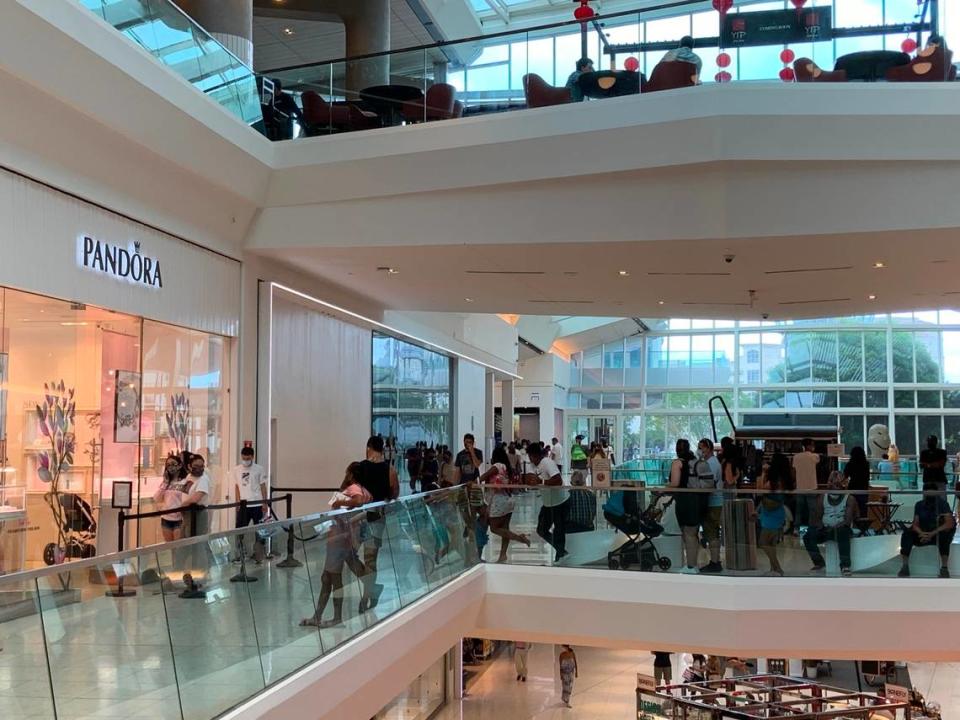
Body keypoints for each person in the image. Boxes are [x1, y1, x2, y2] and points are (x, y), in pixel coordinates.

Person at [300, 463, 372, 628]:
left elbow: (357, 501)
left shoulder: (355, 489)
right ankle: (317, 616)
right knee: (327, 578)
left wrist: (339, 503)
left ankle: (337, 617)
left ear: (352, 474)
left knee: (333, 578)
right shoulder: (364, 489)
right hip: (344, 538)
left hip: (339, 539)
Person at [357, 435, 400, 611]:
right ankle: (370, 590)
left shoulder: (360, 468)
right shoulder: (389, 470)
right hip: (377, 518)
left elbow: (353, 493)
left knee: (353, 556)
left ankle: (367, 594)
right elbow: (394, 493)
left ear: (368, 448)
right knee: (370, 559)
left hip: (359, 517)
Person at [480, 444, 530, 563]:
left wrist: (475, 481)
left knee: (494, 528)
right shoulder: (506, 467)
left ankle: (519, 538)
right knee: (504, 528)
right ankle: (503, 555)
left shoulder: (497, 466)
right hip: (508, 499)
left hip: (498, 501)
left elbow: (484, 476)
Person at [803, 470, 858, 576]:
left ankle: (845, 565)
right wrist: (821, 526)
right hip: (825, 528)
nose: (835, 486)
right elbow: (817, 516)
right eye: (833, 483)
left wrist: (834, 527)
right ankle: (819, 562)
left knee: (843, 534)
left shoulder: (849, 498)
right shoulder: (823, 497)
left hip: (841, 528)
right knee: (808, 537)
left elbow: (847, 521)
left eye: (838, 484)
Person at [899, 482, 956, 578]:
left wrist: (932, 534)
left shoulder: (943, 504)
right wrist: (921, 533)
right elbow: (915, 524)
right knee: (906, 534)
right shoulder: (919, 505)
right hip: (923, 534)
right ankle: (905, 566)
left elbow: (949, 523)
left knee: (945, 536)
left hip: (937, 533)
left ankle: (944, 568)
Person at [529, 442, 570, 562]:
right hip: (549, 503)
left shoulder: (547, 462)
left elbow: (558, 480)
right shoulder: (535, 466)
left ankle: (561, 554)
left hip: (559, 502)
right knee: (542, 529)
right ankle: (561, 551)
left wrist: (541, 482)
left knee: (559, 529)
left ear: (533, 455)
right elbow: (531, 478)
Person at [669, 438, 702, 573]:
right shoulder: (695, 461)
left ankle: (691, 566)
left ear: (677, 449)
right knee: (693, 534)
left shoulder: (677, 463)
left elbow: (675, 483)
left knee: (687, 534)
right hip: (698, 500)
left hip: (684, 501)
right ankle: (694, 564)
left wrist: (663, 488)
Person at [231, 446, 269, 561]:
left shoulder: (259, 469)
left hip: (257, 504)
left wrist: (264, 503)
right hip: (243, 505)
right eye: (243, 458)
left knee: (260, 531)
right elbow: (236, 486)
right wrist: (237, 502)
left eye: (248, 458)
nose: (245, 460)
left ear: (252, 457)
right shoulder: (236, 470)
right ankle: (239, 554)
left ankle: (259, 555)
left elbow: (263, 486)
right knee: (240, 530)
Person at [695, 439, 724, 573]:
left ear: (709, 448)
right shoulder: (712, 462)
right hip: (714, 501)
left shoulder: (711, 463)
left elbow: (708, 483)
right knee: (712, 532)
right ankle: (715, 560)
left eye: (703, 448)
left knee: (712, 532)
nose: (701, 451)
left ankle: (714, 562)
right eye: (699, 448)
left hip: (713, 501)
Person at [758, 453, 788, 576]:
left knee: (763, 542)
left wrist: (763, 473)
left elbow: (760, 489)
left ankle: (777, 567)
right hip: (777, 511)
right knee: (771, 543)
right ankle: (774, 569)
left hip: (770, 513)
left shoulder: (775, 478)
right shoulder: (785, 477)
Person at [153, 453, 189, 542]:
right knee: (170, 547)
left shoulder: (185, 482)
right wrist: (165, 483)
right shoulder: (166, 482)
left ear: (180, 465)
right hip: (166, 518)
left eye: (173, 464)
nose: (171, 467)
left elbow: (187, 500)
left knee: (178, 547)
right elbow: (156, 498)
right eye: (168, 465)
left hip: (179, 519)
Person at [791, 438, 819, 529]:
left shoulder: (796, 457)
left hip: (800, 487)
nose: (813, 447)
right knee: (812, 510)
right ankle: (812, 528)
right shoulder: (815, 456)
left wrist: (794, 482)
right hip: (812, 487)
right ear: (809, 446)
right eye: (812, 445)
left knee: (799, 509)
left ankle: (796, 528)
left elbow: (793, 472)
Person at [182, 453, 211, 536]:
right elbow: (185, 492)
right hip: (187, 514)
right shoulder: (189, 476)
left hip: (198, 514)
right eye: (196, 465)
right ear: (189, 466)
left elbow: (196, 498)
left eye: (201, 466)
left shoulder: (203, 479)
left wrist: (180, 506)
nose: (199, 468)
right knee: (186, 540)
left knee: (197, 543)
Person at [844, 446, 871, 519]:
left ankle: (852, 527)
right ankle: (862, 527)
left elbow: (845, 475)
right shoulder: (866, 464)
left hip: (853, 488)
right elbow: (867, 477)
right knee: (863, 510)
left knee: (851, 509)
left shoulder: (850, 464)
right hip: (863, 489)